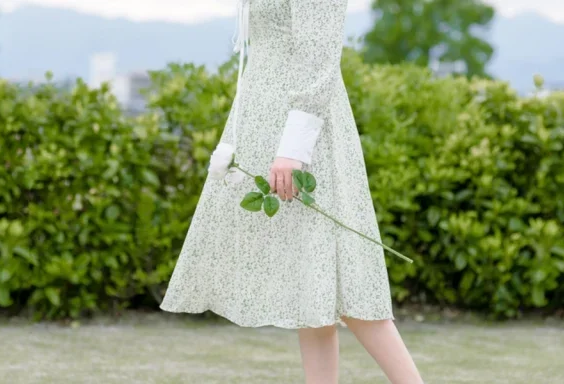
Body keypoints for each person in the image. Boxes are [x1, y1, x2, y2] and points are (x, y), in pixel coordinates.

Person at [160, 0, 423, 382]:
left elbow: (319, 58)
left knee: (346, 276)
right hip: (266, 121)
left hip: (303, 137)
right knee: (310, 284)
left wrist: (294, 148)